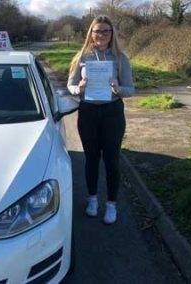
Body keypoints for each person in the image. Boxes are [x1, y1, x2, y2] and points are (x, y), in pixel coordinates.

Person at [67, 15, 134, 224]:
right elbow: (71, 85)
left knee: (112, 160)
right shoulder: (82, 56)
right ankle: (93, 199)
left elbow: (130, 89)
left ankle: (112, 204)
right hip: (88, 112)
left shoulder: (120, 58)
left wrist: (117, 88)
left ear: (112, 33)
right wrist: (78, 89)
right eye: (97, 31)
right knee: (91, 158)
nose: (101, 35)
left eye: (106, 31)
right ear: (91, 33)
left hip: (112, 112)